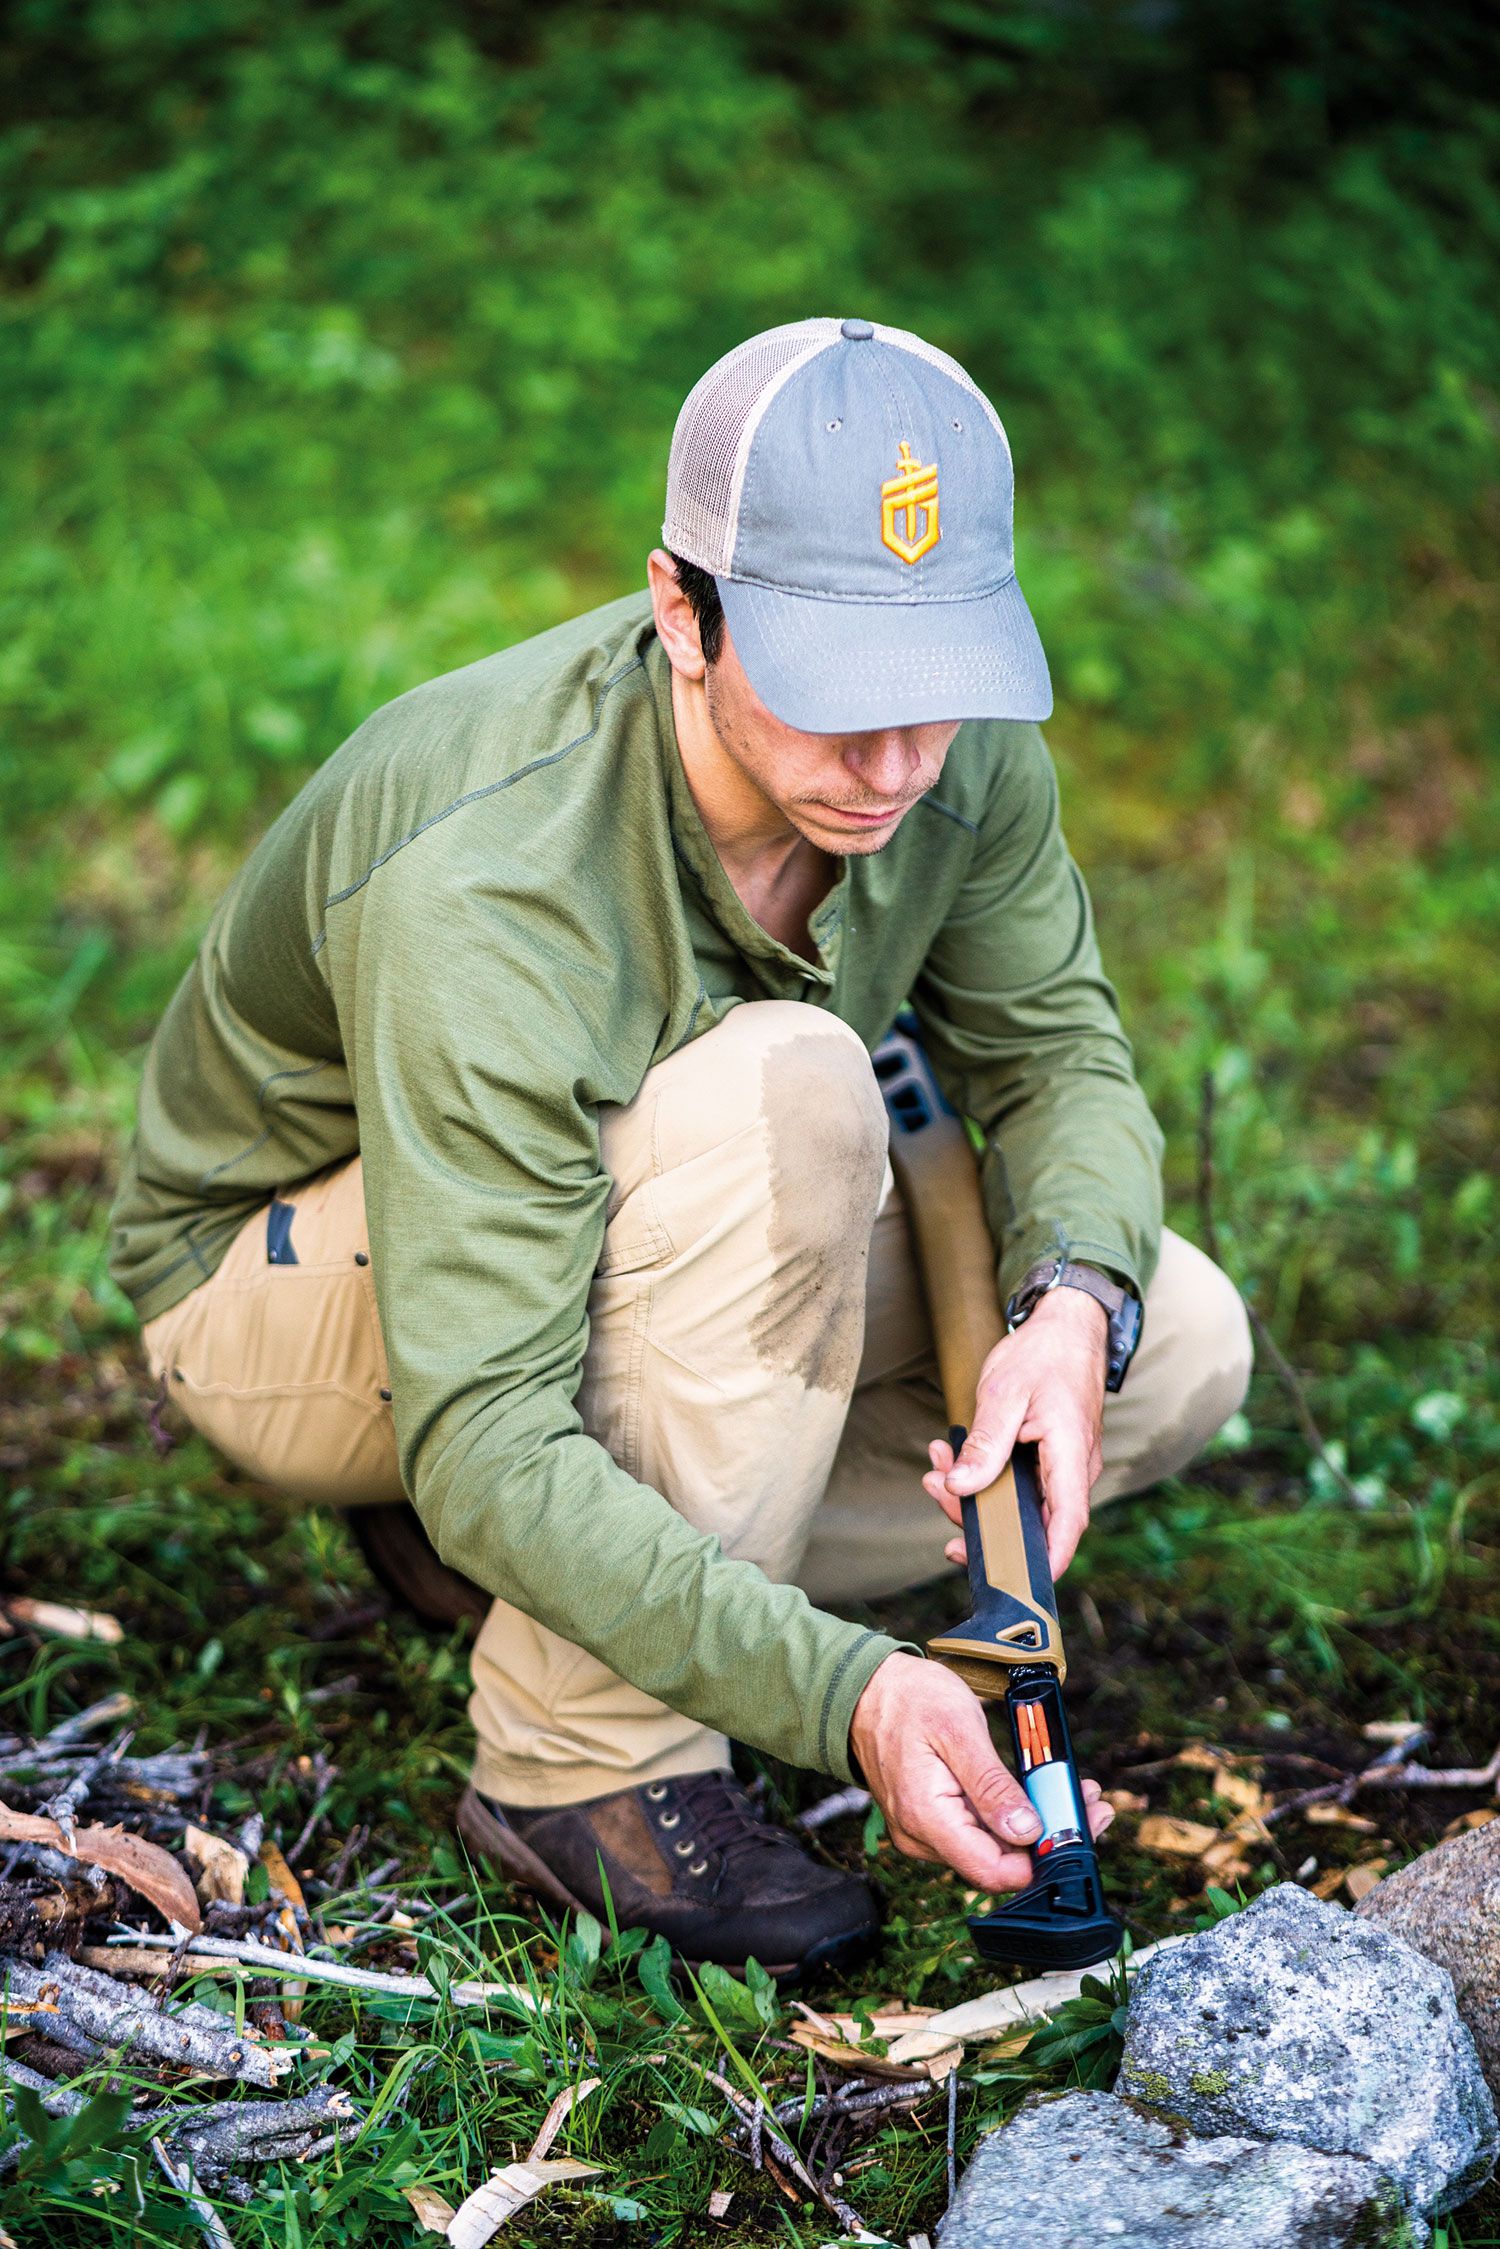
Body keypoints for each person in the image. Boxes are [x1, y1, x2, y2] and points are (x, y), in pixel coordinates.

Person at [108, 318, 1252, 1976]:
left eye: (935, 686)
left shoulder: (955, 756)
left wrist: (1070, 1306)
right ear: (681, 612)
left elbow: (1060, 1051)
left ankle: (582, 1560)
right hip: (282, 1287)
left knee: (1179, 1338)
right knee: (788, 1092)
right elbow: (490, 1419)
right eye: (841, 693)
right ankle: (588, 1764)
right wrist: (843, 1693)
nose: (897, 763)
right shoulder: (493, 880)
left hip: (631, 1230)